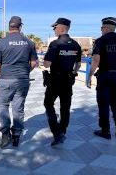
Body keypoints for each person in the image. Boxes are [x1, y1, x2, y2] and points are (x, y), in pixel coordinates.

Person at [0, 16, 38, 148]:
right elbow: (34, 63)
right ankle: (16, 136)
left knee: (3, 106)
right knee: (18, 108)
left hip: (5, 81)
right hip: (22, 81)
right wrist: (24, 72)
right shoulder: (29, 42)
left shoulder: (2, 43)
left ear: (9, 27)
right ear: (20, 26)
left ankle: (5, 135)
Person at [86, 17, 116, 139]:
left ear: (106, 28)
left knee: (103, 104)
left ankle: (105, 131)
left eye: (102, 28)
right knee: (115, 103)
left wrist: (89, 76)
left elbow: (96, 60)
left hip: (104, 76)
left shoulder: (101, 41)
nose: (101, 30)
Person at [43, 18, 82, 146]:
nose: (54, 30)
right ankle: (63, 131)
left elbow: (47, 64)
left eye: (55, 27)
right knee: (65, 107)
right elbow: (78, 64)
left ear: (61, 28)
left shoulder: (55, 44)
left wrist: (46, 59)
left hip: (55, 80)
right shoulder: (76, 45)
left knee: (48, 104)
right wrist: (74, 73)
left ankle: (56, 133)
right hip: (68, 80)